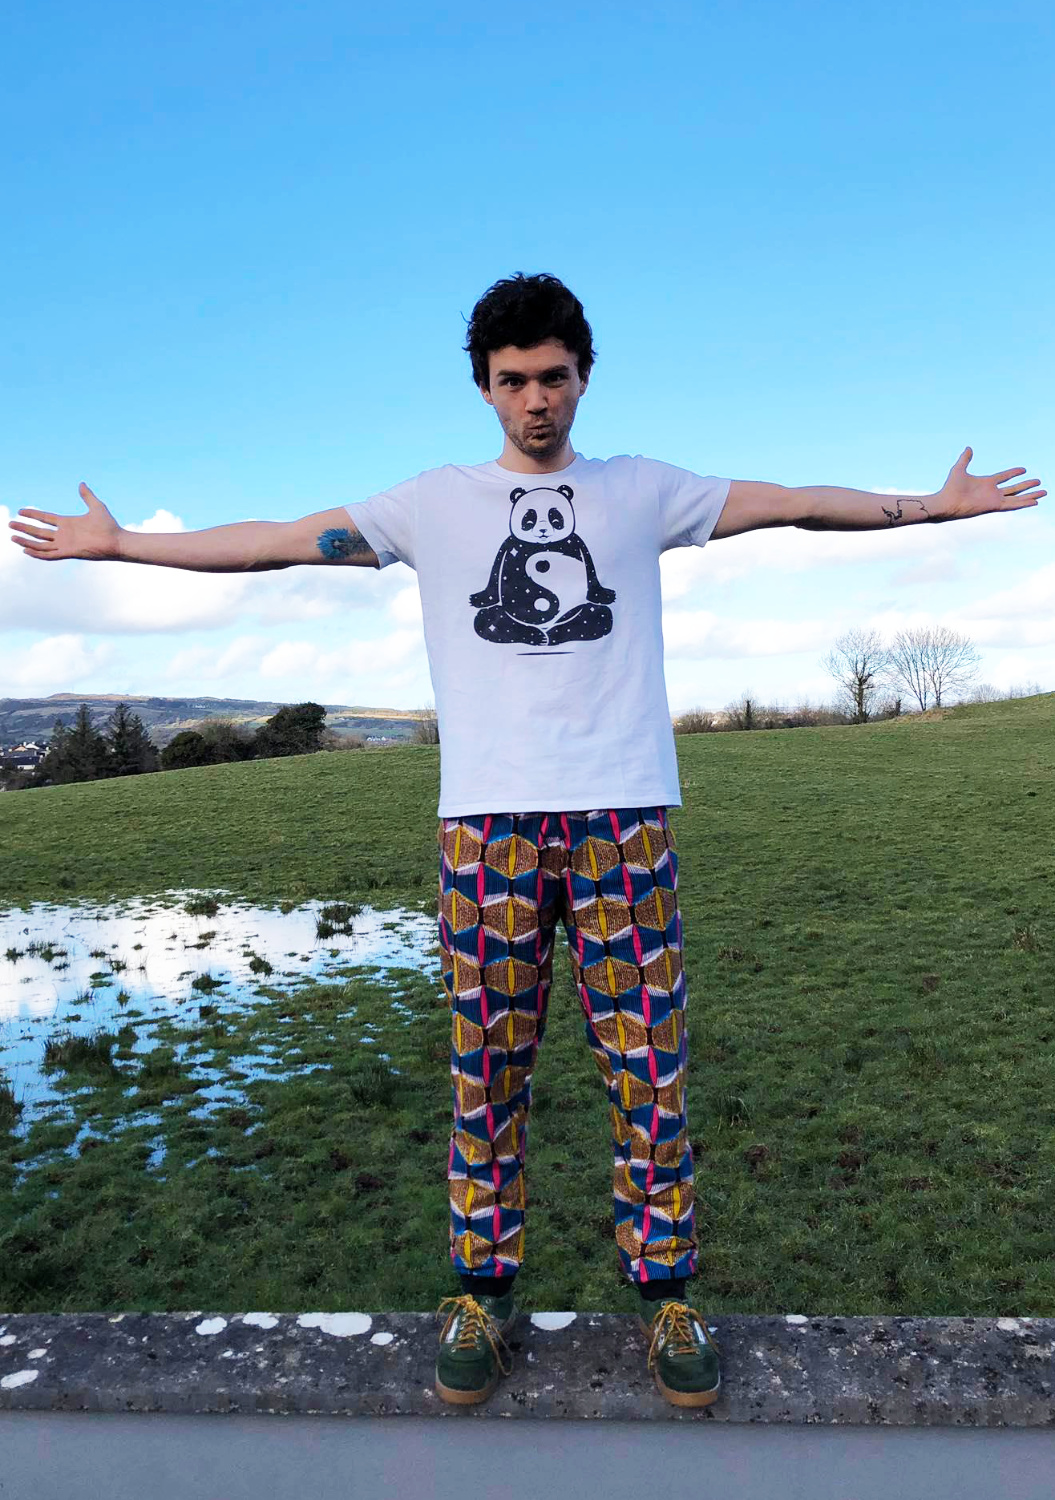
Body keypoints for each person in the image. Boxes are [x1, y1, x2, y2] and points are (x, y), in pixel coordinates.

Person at [9, 273, 1044, 1409]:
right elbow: (275, 543)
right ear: (484, 389)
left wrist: (926, 509)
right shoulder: (431, 504)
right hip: (485, 833)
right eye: (512, 382)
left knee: (648, 1070)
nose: (535, 400)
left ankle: (665, 1296)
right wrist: (120, 547)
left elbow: (789, 502)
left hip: (622, 823)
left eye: (552, 377)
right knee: (485, 1073)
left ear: (582, 377)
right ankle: (481, 1295)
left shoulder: (641, 490)